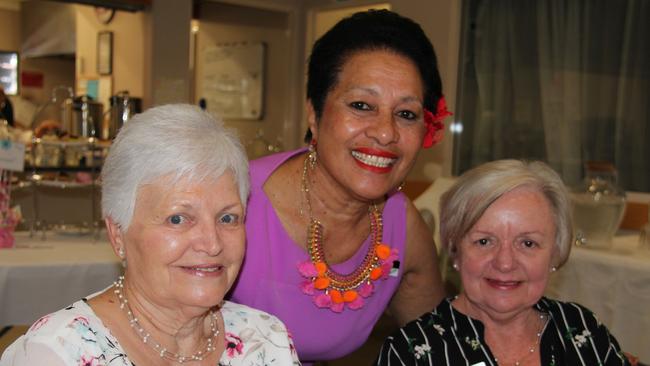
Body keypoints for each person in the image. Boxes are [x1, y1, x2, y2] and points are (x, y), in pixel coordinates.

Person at [229, 9, 450, 363]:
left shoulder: (400, 224)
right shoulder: (235, 200)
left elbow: (442, 351)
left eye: (406, 114)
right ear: (314, 114)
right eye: (362, 106)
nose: (385, 132)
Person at [0, 104, 299, 365]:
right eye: (178, 218)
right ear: (117, 233)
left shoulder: (265, 341)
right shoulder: (58, 355)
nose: (212, 243)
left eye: (227, 218)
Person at [376, 160, 631, 365]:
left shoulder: (581, 330)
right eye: (484, 241)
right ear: (455, 249)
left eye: (528, 243)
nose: (505, 263)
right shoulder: (412, 353)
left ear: (554, 253)